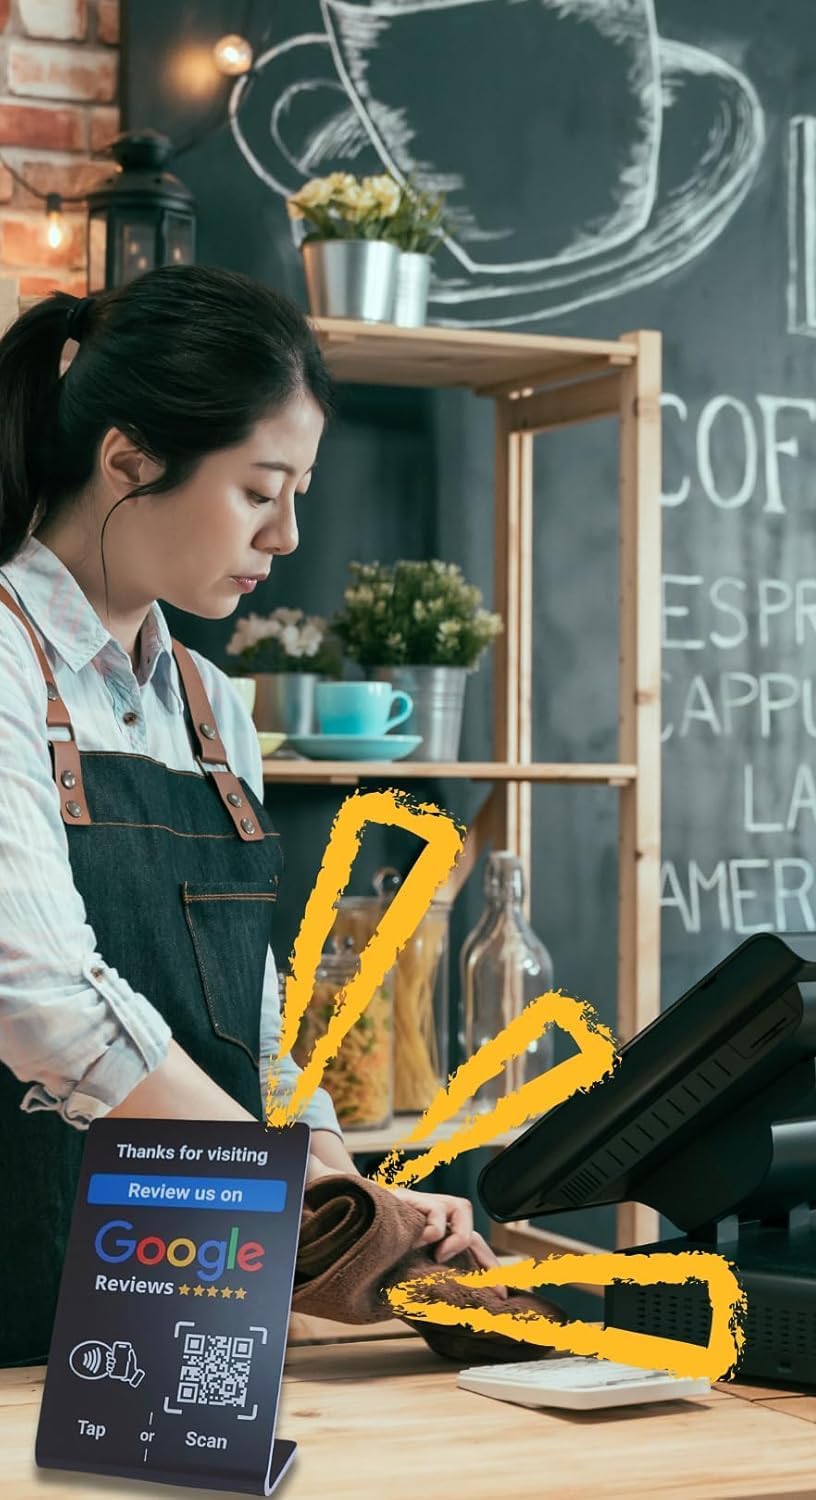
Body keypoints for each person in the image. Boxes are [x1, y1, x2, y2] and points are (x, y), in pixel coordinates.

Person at [0, 266, 498, 1368]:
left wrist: (346, 1190)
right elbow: (39, 999)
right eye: (260, 490)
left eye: (300, 493)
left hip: (185, 1310)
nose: (287, 536)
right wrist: (287, 1188)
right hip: (17, 1299)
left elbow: (251, 1015)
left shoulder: (214, 706)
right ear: (129, 459)